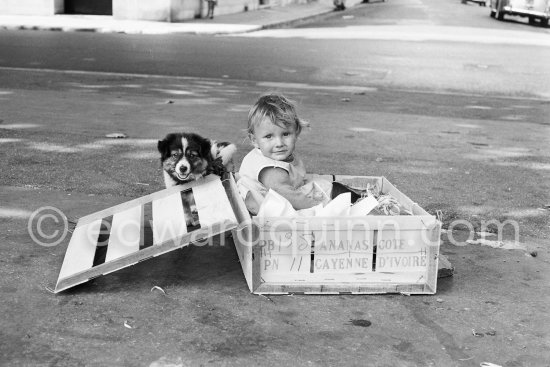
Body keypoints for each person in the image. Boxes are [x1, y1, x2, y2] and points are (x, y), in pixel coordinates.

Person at [237, 92, 332, 214]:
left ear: (296, 131)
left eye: (285, 134)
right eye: (269, 136)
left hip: (279, 196)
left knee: (323, 185)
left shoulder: (274, 155)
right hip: (266, 210)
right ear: (254, 140)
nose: (279, 143)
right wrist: (317, 205)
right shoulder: (271, 170)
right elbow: (286, 195)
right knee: (324, 192)